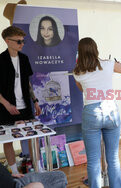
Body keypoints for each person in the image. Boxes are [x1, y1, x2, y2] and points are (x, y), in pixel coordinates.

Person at [73, 37, 121, 188]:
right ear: (96, 50)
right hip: (111, 110)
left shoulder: (77, 72)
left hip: (91, 113)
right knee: (112, 158)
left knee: (93, 160)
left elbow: (82, 89)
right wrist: (113, 63)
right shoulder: (108, 64)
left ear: (79, 53)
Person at [0, 26, 42, 174]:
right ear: (7, 41)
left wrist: (35, 100)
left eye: (23, 41)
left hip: (25, 106)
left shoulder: (24, 59)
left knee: (33, 136)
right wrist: (6, 104)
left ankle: (38, 167)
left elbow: (28, 83)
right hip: (6, 108)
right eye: (18, 41)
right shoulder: (0, 60)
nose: (22, 44)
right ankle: (14, 171)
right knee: (8, 139)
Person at [0, 162, 67, 188]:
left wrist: (11, 175)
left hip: (13, 179)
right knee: (61, 180)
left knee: (60, 175)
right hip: (17, 186)